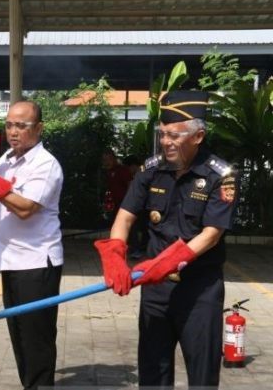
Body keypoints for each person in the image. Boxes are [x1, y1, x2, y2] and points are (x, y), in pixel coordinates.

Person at [94, 90, 239, 388]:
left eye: (174, 135)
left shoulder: (220, 176)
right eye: (162, 134)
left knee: (202, 374)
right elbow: (125, 216)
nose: (165, 142)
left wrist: (169, 261)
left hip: (199, 291)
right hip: (155, 289)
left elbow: (211, 235)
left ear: (197, 136)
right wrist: (115, 255)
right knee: (152, 371)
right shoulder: (152, 169)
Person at [0, 101, 64, 389]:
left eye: (22, 125)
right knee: (19, 338)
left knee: (37, 342)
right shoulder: (6, 159)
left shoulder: (46, 164)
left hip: (36, 264)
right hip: (9, 261)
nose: (13, 131)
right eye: (9, 124)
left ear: (39, 128)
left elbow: (24, 208)